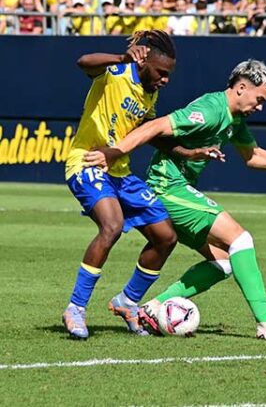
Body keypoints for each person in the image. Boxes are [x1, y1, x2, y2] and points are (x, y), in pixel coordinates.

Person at [85, 60, 266, 341]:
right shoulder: (210, 109)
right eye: (259, 99)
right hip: (166, 188)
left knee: (224, 262)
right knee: (240, 240)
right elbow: (155, 127)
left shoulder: (235, 119)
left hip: (178, 189)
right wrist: (114, 152)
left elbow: (253, 157)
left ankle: (151, 307)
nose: (260, 107)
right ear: (242, 87)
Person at [62, 30, 179, 340]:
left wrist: (190, 152)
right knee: (112, 226)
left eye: (169, 75)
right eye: (161, 72)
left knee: (165, 237)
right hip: (86, 162)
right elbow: (84, 62)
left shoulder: (150, 92)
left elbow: (149, 133)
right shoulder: (115, 73)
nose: (165, 79)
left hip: (120, 173)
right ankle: (76, 308)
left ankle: (127, 302)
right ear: (145, 62)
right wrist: (122, 57)